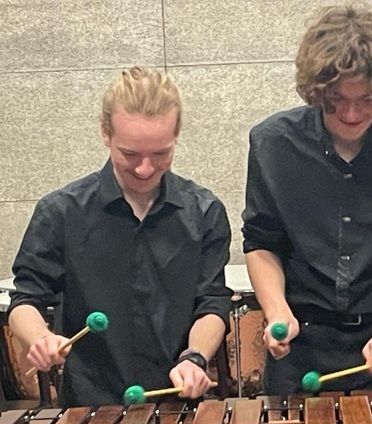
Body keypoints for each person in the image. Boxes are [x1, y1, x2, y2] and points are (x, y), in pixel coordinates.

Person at [242, 5, 372, 395]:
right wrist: (276, 310)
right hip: (300, 351)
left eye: (368, 99)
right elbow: (261, 243)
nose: (352, 113)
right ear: (316, 91)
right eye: (336, 101)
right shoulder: (273, 146)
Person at [8, 67, 233, 406]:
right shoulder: (62, 212)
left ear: (176, 136)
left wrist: (195, 357)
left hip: (176, 402)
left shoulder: (203, 213)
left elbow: (212, 304)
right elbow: (25, 300)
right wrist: (39, 337)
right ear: (105, 134)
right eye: (130, 154)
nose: (145, 169)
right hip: (89, 403)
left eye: (161, 154)